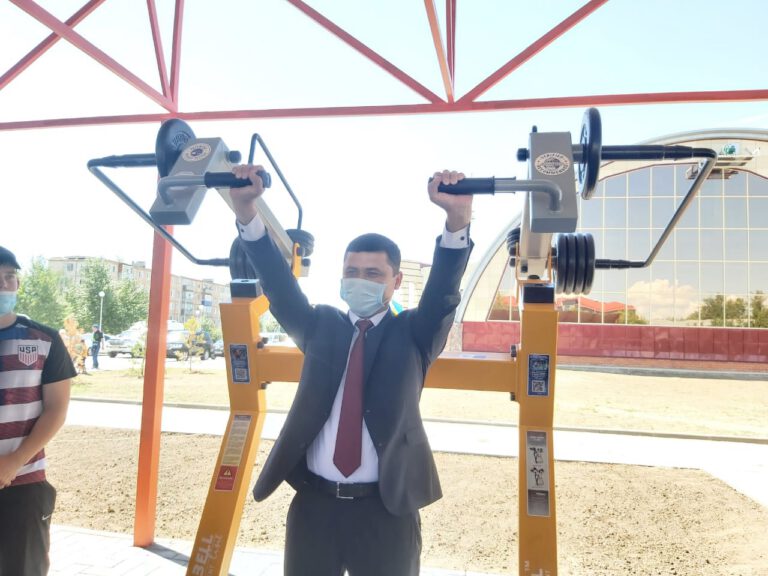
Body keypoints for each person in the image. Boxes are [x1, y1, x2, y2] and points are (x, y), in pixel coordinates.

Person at [229, 165, 473, 576]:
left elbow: (443, 293)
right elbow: (278, 285)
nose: (361, 280)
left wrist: (457, 220)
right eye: (352, 272)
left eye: (373, 273)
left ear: (396, 280)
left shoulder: (414, 333)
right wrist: (246, 213)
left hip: (385, 512)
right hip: (314, 509)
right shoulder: (319, 325)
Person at [0, 246, 75, 576]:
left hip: (24, 484)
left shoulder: (44, 339)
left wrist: (14, 462)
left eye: (9, 277)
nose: (4, 286)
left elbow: (56, 410)